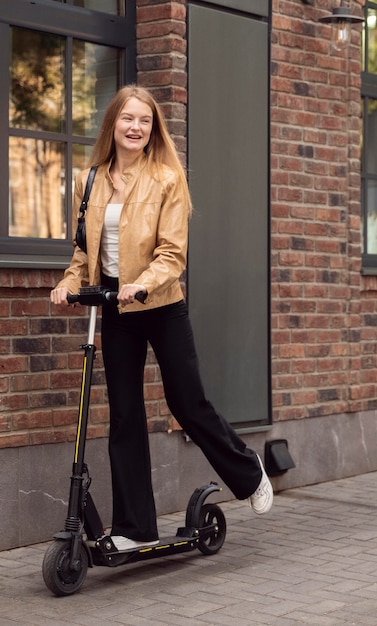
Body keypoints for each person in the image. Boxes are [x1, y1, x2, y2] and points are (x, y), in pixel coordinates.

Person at [51, 85, 273, 551]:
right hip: (115, 308)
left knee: (186, 403)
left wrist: (143, 283)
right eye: (128, 118)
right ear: (113, 122)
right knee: (125, 415)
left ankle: (248, 472)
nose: (135, 127)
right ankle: (134, 528)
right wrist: (68, 283)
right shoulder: (89, 179)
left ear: (153, 130)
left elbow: (172, 254)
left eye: (145, 121)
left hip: (161, 305)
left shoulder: (167, 178)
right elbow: (83, 249)